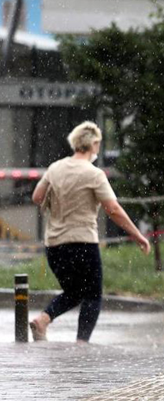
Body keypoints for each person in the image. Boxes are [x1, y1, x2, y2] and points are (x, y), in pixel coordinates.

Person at [29, 121, 151, 343]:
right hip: (82, 242)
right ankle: (81, 344)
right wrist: (138, 235)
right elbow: (112, 208)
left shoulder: (55, 168)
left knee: (74, 292)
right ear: (94, 144)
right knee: (93, 294)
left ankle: (43, 320)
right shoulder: (94, 174)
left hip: (55, 245)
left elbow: (37, 197)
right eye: (98, 144)